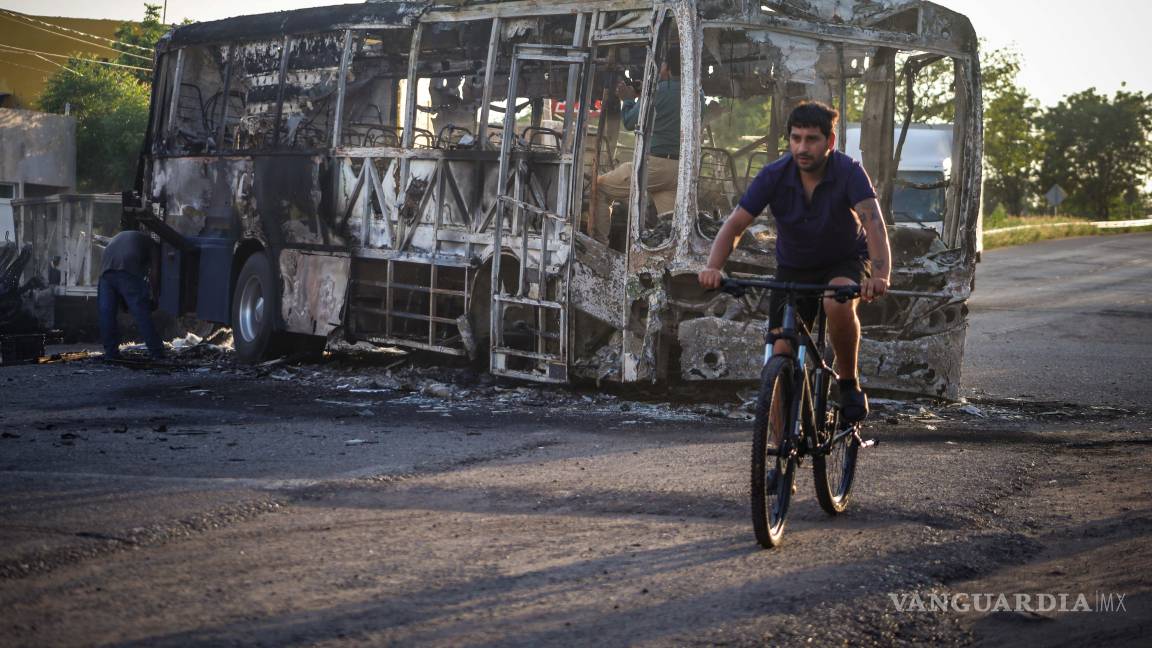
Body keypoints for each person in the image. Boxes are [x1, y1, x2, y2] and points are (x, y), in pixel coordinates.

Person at [697, 101, 892, 423]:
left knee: (836, 302)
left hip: (844, 260)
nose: (802, 147)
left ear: (829, 141)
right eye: (796, 138)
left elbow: (873, 224)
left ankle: (848, 382)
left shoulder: (849, 171)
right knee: (780, 350)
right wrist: (713, 267)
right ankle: (776, 445)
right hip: (793, 266)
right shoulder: (773, 174)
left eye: (811, 139)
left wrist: (880, 276)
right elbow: (735, 225)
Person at [590, 50, 682, 245]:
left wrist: (628, 99)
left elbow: (630, 121)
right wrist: (642, 96)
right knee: (671, 227)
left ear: (666, 67)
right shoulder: (696, 92)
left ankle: (599, 246)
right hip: (678, 169)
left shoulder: (657, 91)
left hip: (654, 167)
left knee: (599, 188)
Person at [98, 230, 165, 360]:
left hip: (106, 270)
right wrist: (156, 297)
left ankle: (111, 353)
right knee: (141, 313)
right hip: (126, 269)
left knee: (106, 313)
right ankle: (157, 352)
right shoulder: (153, 245)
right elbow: (154, 274)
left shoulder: (127, 236)